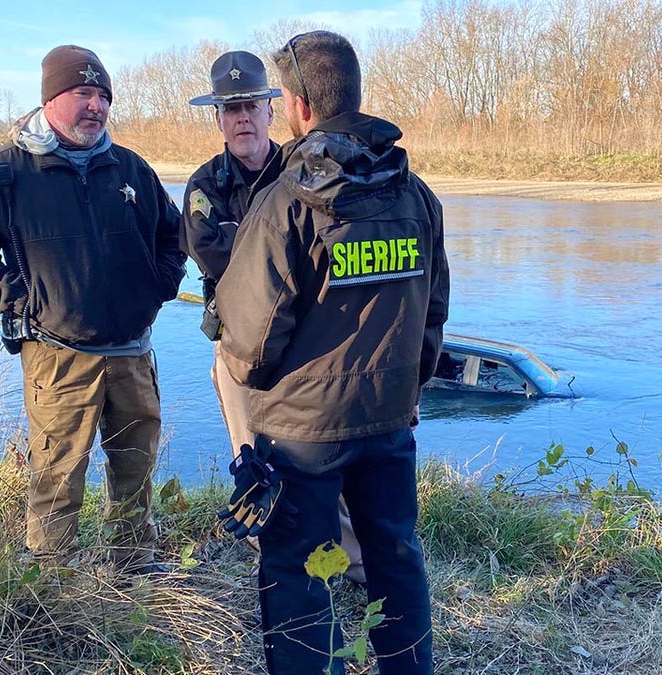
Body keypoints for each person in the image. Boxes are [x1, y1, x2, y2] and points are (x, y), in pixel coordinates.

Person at [215, 30, 450, 674]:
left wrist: (251, 388)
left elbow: (248, 340)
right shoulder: (414, 194)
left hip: (302, 436)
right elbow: (434, 312)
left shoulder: (288, 200)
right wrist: (407, 389)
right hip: (389, 422)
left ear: (297, 106)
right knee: (394, 557)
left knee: (297, 573)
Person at [0, 45, 187, 576]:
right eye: (83, 93)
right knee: (56, 475)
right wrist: (24, 300)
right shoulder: (3, 174)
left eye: (103, 96)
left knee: (135, 470)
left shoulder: (131, 169)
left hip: (133, 354)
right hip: (58, 357)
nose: (95, 106)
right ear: (51, 98)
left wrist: (160, 285)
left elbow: (175, 235)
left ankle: (133, 569)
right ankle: (50, 587)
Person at [181, 50, 365, 583]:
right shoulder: (203, 186)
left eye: (251, 107)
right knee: (254, 459)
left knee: (326, 454)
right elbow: (210, 252)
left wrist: (271, 248)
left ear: (270, 110)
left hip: (311, 340)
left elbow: (333, 242)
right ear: (219, 119)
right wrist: (285, 249)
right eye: (230, 109)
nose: (241, 118)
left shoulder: (306, 167)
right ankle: (280, 562)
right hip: (239, 342)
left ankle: (354, 566)